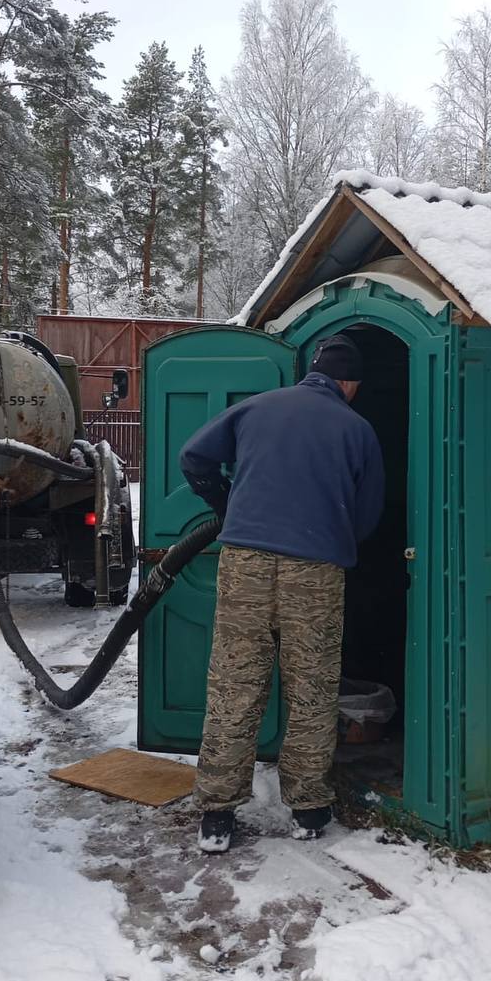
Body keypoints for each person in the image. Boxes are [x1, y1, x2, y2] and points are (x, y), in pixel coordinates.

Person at [179, 333, 385, 853]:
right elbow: (367, 514)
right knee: (312, 687)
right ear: (350, 384)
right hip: (314, 570)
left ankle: (216, 815)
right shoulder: (356, 428)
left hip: (244, 563)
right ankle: (309, 809)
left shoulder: (257, 408)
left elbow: (193, 457)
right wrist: (333, 536)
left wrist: (226, 504)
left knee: (234, 685)